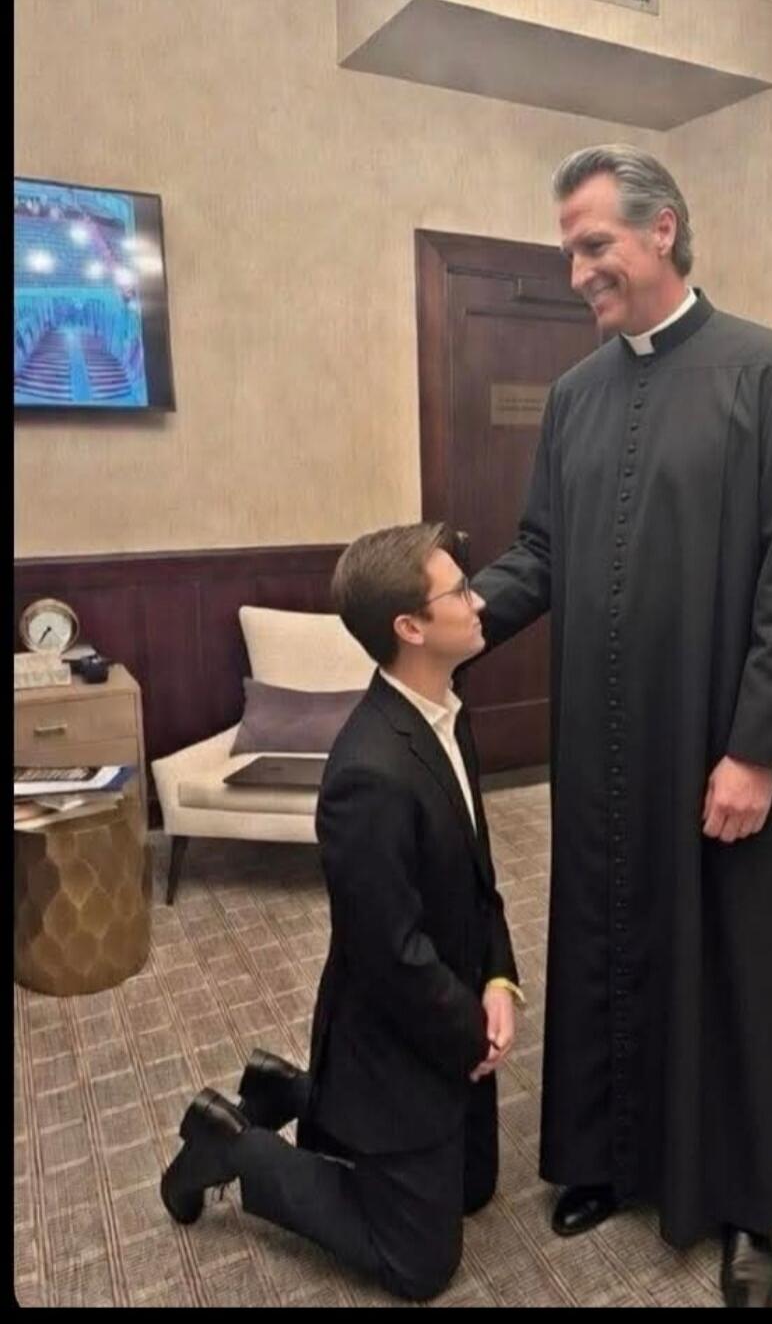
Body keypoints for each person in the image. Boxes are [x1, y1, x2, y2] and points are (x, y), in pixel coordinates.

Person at [470, 145, 772, 1307]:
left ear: (664, 231)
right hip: (603, 752)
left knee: (737, 966)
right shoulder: (577, 397)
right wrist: (448, 617)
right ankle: (608, 1158)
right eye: (569, 251)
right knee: (608, 941)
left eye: (595, 244)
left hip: (725, 747)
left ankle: (749, 1205)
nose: (578, 271)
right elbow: (541, 551)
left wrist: (759, 750)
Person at [160, 522, 523, 1302]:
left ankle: (288, 1090)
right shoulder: (368, 774)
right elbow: (390, 955)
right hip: (392, 1032)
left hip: (443, 1006)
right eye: (461, 590)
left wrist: (500, 979)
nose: (479, 600)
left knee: (474, 1190)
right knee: (421, 1266)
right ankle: (232, 1145)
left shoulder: (447, 714)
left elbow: (478, 879)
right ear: (410, 627)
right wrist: (470, 1032)